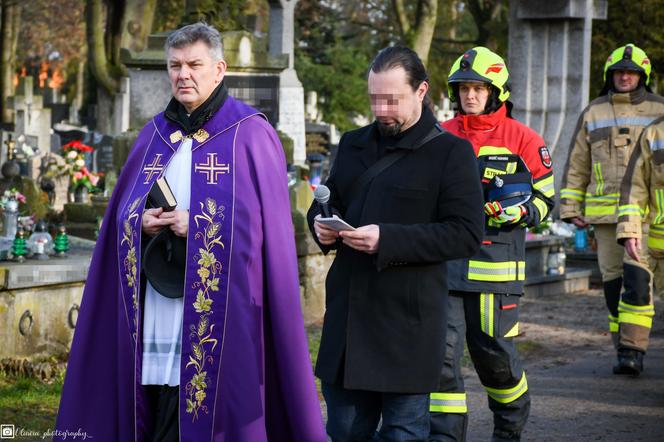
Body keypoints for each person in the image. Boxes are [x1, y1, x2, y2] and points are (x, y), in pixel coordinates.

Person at [56, 22, 326, 442]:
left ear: (219, 69)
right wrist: (138, 223)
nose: (184, 74)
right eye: (175, 66)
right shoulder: (153, 135)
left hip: (223, 309)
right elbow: (120, 215)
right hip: (157, 306)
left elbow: (266, 232)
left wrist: (197, 224)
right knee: (157, 399)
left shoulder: (251, 134)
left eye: (194, 65)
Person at [307, 46, 485, 441]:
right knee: (345, 432)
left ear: (421, 92)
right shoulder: (352, 143)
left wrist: (387, 239)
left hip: (408, 323)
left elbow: (466, 232)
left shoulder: (451, 153)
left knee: (404, 433)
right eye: (375, 99)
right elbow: (328, 200)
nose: (382, 109)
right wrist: (320, 226)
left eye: (392, 99)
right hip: (349, 321)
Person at [429, 47, 555, 442]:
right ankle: (444, 437)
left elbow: (545, 199)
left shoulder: (525, 140)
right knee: (440, 359)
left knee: (495, 359)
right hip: (444, 268)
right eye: (463, 88)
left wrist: (520, 213)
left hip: (494, 275)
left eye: (478, 88)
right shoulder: (438, 135)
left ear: (496, 92)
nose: (469, 95)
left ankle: (509, 429)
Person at [560, 43, 664, 375]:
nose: (624, 77)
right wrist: (570, 205)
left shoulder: (660, 110)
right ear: (609, 75)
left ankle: (633, 351)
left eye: (631, 72)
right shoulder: (593, 112)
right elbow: (578, 163)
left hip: (647, 215)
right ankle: (622, 344)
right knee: (613, 283)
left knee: (638, 277)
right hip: (605, 216)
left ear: (642, 76)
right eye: (619, 71)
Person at [614, 116, 664, 375]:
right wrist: (630, 230)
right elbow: (634, 188)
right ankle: (631, 351)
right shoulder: (655, 133)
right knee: (635, 292)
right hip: (651, 239)